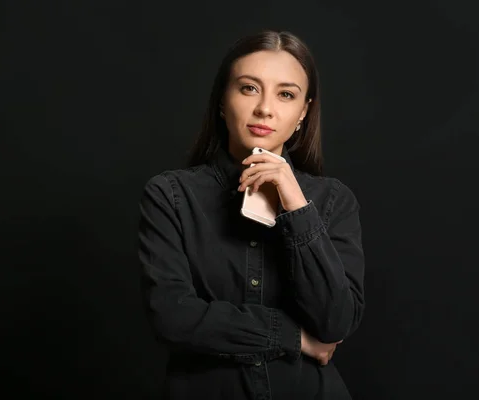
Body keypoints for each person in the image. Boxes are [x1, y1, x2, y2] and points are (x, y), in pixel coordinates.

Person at [137, 30, 365, 400]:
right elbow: (173, 318)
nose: (265, 109)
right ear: (222, 101)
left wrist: (296, 205)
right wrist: (292, 337)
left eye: (286, 94)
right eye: (248, 88)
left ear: (303, 112)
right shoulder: (171, 195)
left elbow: (335, 322)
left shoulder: (333, 201)